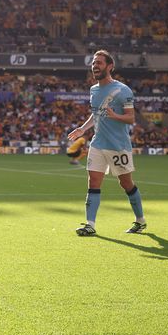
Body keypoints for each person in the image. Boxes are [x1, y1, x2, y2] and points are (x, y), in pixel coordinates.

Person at [67, 50, 147, 236]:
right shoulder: (93, 90)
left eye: (99, 63)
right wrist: (82, 129)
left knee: (126, 183)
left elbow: (130, 118)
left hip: (118, 145)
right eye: (94, 63)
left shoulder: (122, 90)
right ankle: (90, 224)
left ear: (110, 66)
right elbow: (96, 114)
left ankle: (140, 220)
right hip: (97, 144)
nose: (95, 66)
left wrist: (115, 115)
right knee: (93, 181)